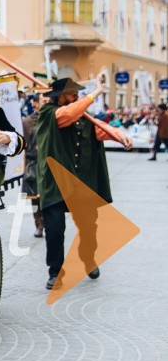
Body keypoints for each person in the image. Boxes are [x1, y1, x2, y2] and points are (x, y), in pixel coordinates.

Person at [36, 78, 132, 290]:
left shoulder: (84, 116)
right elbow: (67, 115)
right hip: (56, 182)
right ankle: (55, 272)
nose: (76, 96)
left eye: (77, 93)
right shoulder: (49, 113)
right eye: (72, 93)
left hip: (81, 182)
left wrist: (120, 136)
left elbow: (101, 130)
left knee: (89, 227)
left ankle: (88, 259)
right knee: (54, 229)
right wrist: (95, 93)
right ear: (59, 96)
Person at [22, 93, 47, 237]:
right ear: (35, 103)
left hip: (49, 163)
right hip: (33, 163)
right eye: (44, 100)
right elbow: (22, 145)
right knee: (35, 198)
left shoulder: (53, 119)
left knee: (49, 196)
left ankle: (49, 222)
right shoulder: (27, 122)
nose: (47, 103)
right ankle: (39, 224)